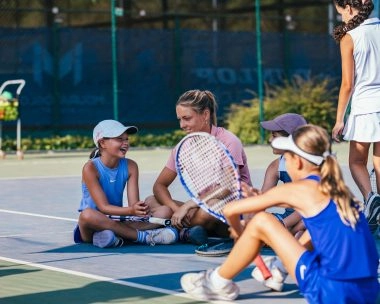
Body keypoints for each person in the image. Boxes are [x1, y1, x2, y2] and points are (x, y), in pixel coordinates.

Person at [180, 124, 380, 302]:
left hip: (330, 291)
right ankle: (279, 267)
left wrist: (237, 229)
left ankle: (217, 283)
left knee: (262, 221)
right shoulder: (339, 191)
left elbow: (231, 209)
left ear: (298, 162)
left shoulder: (298, 189)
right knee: (315, 228)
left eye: (287, 157)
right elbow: (314, 230)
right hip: (369, 291)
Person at [145, 90, 252, 245]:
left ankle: (182, 232)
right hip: (200, 207)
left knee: (212, 207)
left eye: (187, 118)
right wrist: (176, 209)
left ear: (205, 115)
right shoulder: (183, 146)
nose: (182, 125)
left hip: (231, 209)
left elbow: (228, 187)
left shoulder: (229, 141)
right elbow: (159, 185)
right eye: (180, 119)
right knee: (151, 201)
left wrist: (188, 205)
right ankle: (190, 230)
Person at [73, 119, 178, 248]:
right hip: (92, 224)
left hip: (118, 219)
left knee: (165, 211)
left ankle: (113, 237)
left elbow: (134, 205)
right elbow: (103, 207)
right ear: (102, 143)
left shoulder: (131, 166)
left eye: (126, 139)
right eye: (119, 139)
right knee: (87, 214)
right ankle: (143, 237)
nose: (125, 143)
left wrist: (139, 209)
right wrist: (131, 210)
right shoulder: (90, 168)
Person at [331, 0, 380, 233]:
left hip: (365, 108)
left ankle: (371, 198)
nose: (340, 18)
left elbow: (347, 84)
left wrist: (339, 119)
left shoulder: (349, 37)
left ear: (349, 9)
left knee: (356, 162)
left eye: (340, 13)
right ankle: (377, 210)